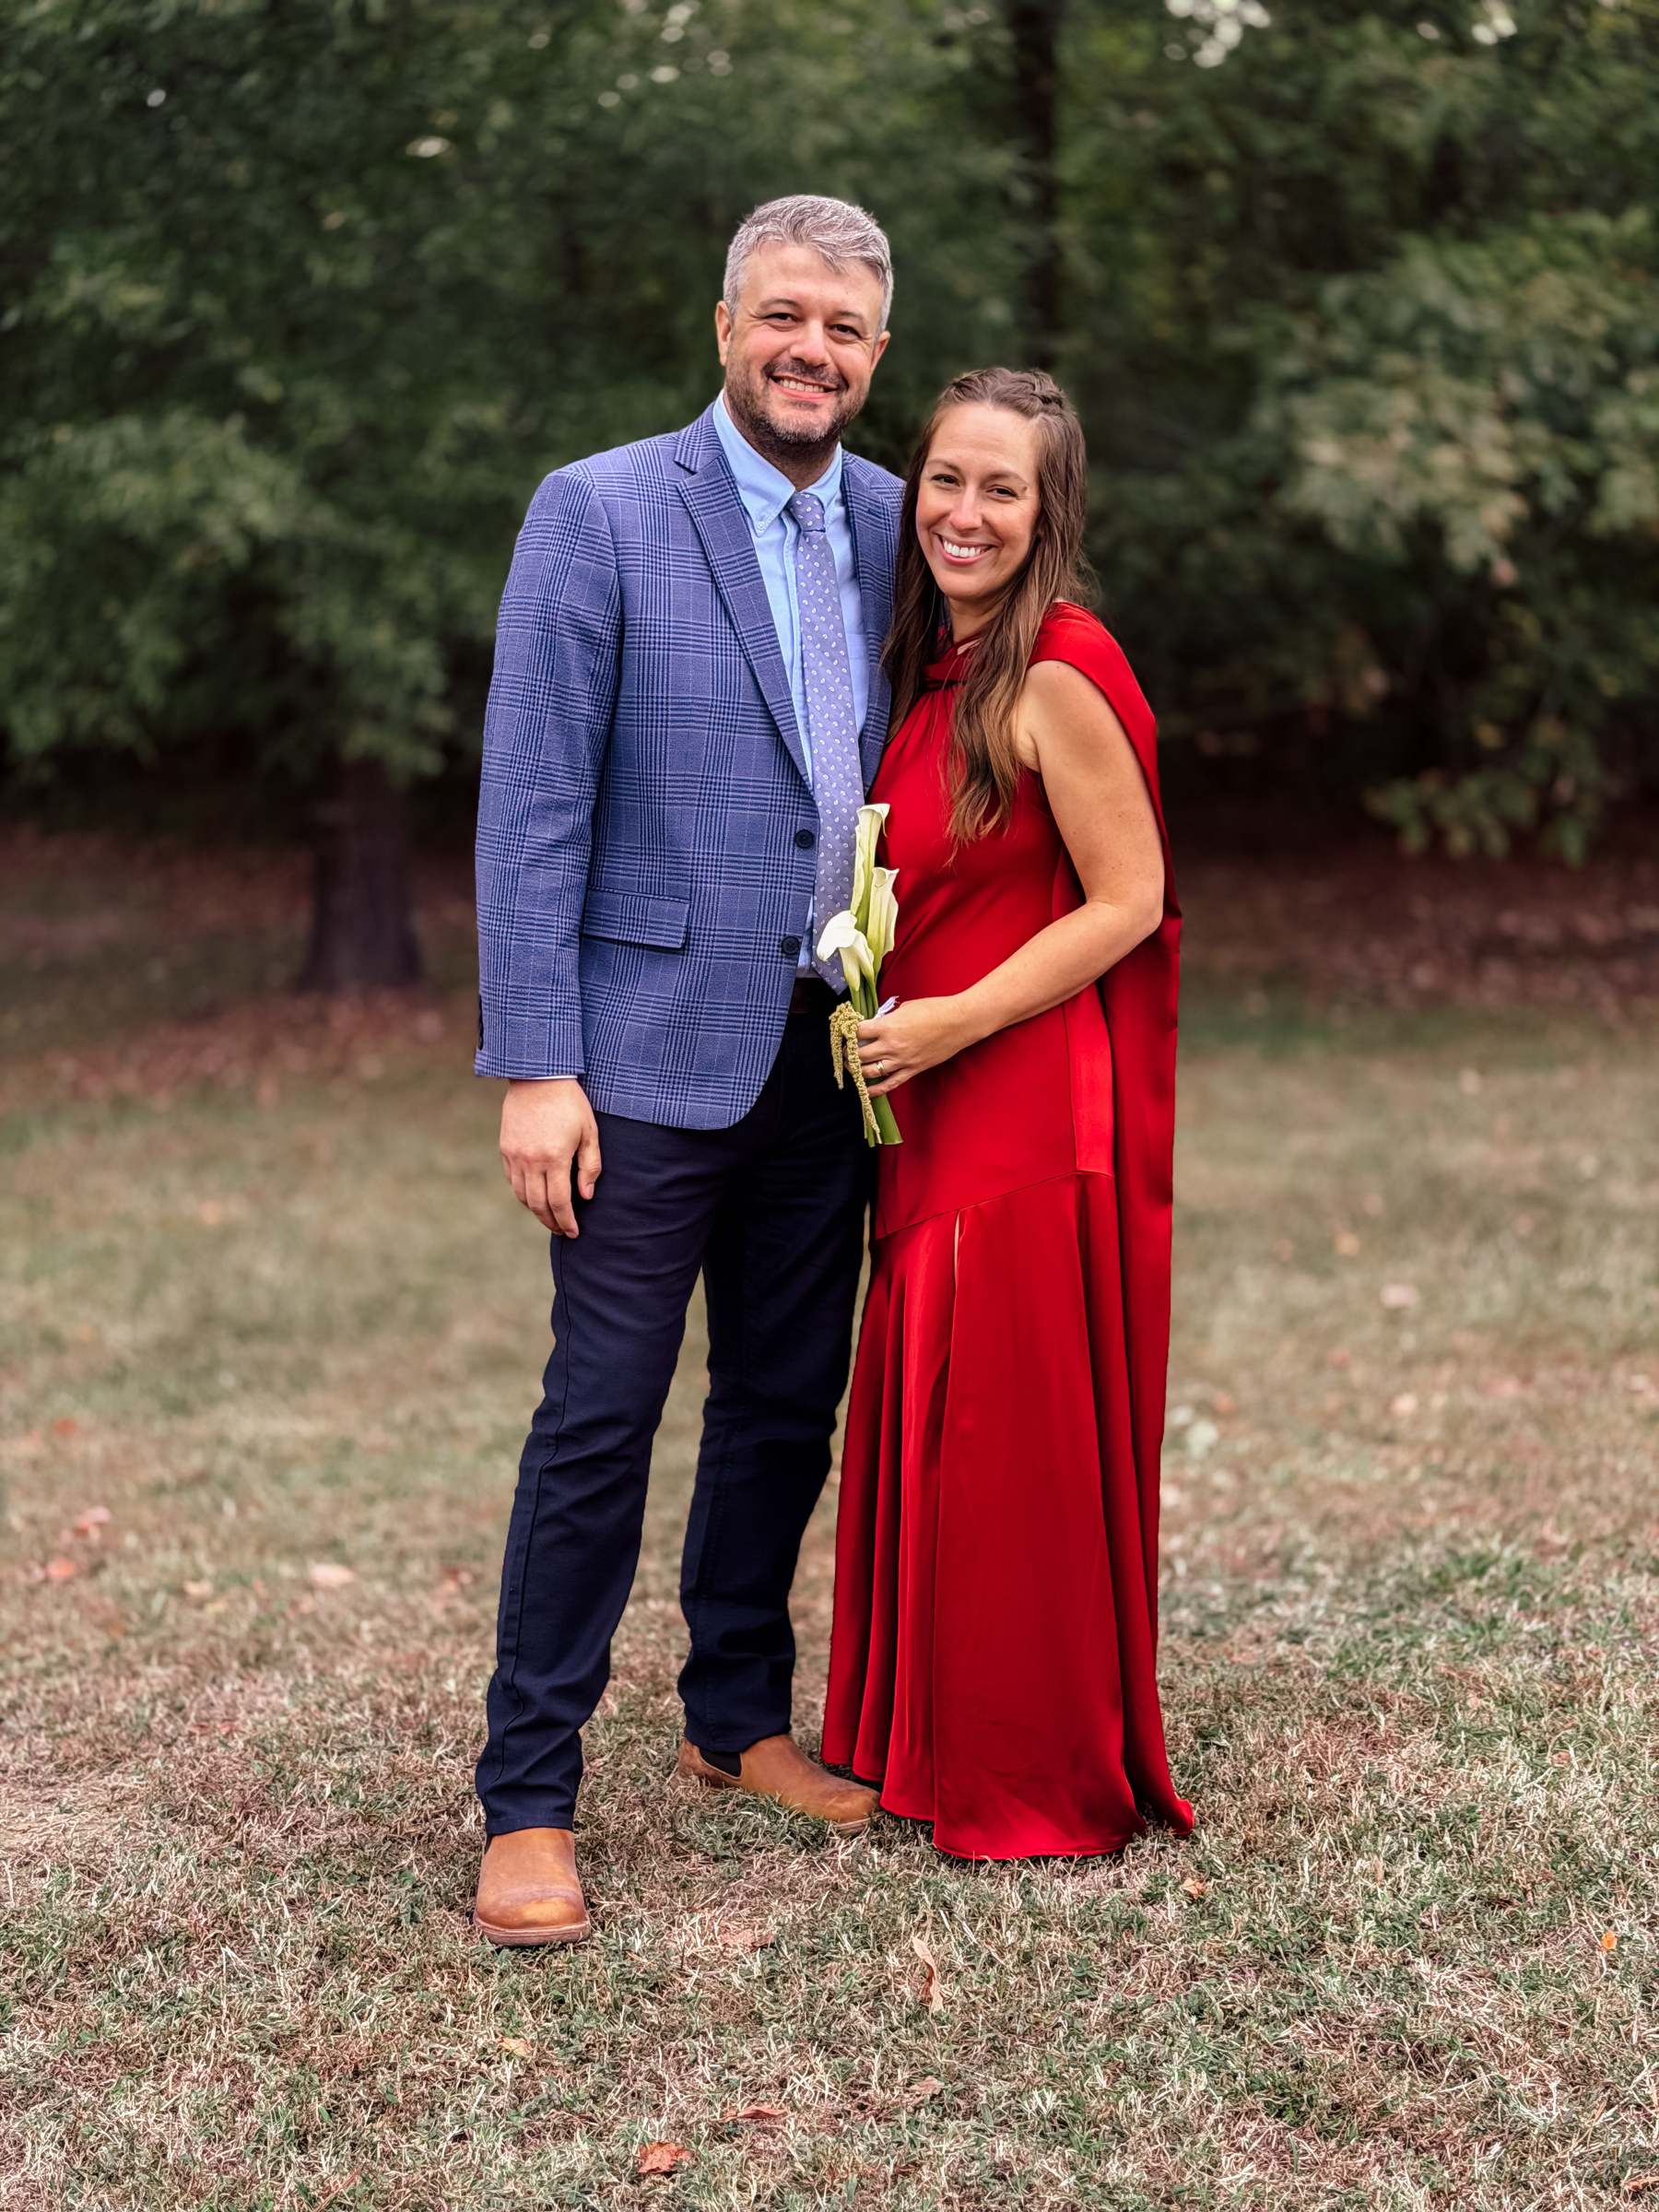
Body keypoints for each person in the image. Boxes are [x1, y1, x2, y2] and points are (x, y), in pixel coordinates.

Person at [469, 196, 903, 1946]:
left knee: (787, 1405)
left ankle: (736, 1716)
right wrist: (536, 1064)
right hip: (640, 1055)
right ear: (725, 325)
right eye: (784, 316)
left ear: (875, 353)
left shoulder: (902, 521)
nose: (812, 350)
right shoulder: (600, 510)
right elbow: (532, 801)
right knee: (600, 1418)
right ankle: (527, 1796)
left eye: (845, 328)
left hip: (831, 1052)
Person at [821, 368, 1194, 1861]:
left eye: (1001, 488)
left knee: (1002, 1428)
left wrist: (954, 1021)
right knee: (939, 1410)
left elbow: (1131, 899)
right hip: (933, 1095)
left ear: (1049, 513)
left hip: (1026, 1103)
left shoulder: (1056, 671)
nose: (964, 513)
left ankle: (1024, 1769)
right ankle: (928, 1735)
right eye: (945, 480)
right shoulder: (933, 671)